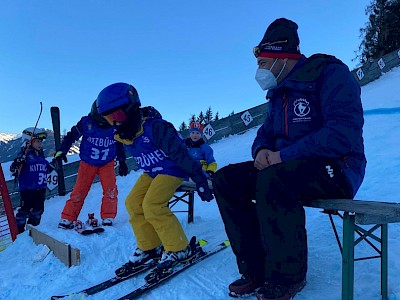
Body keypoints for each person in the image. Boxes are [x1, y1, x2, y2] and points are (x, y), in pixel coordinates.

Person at [212, 18, 366, 300]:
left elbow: (342, 133)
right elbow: (265, 134)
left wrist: (282, 156)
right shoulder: (278, 94)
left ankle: (287, 277)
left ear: (282, 58)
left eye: (263, 63)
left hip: (338, 168)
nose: (259, 71)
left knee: (275, 179)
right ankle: (255, 269)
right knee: (226, 180)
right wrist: (260, 152)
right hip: (288, 168)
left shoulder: (330, 74)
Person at [95, 82, 213, 274]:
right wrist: (122, 161)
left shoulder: (155, 128)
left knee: (152, 206)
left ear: (131, 108)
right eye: (109, 118)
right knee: (133, 203)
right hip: (151, 172)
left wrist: (200, 179)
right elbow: (117, 143)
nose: (114, 122)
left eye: (117, 115)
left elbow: (181, 154)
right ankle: (150, 247)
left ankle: (179, 249)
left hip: (172, 169)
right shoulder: (124, 132)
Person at [56, 101, 128, 229]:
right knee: (79, 191)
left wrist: (122, 161)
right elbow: (71, 136)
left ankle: (108, 216)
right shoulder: (86, 122)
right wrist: (62, 150)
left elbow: (119, 144)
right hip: (87, 163)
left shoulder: (114, 125)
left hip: (107, 163)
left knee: (110, 190)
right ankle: (68, 217)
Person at [10, 127, 54, 233]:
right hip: (28, 190)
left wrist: (55, 162)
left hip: (40, 189)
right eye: (37, 141)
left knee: (38, 211)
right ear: (29, 141)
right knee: (24, 211)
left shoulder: (41, 156)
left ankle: (32, 232)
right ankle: (18, 232)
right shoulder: (25, 155)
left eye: (41, 142)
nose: (40, 144)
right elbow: (13, 169)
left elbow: (46, 169)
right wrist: (18, 162)